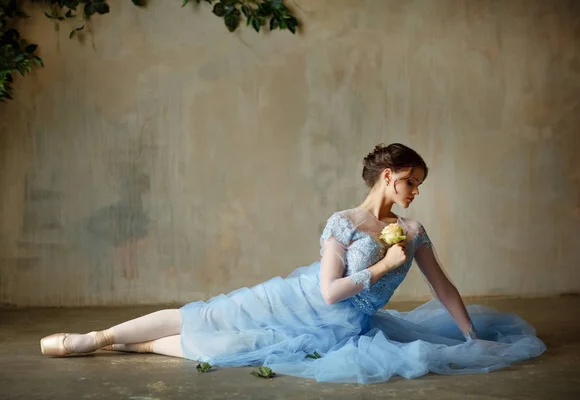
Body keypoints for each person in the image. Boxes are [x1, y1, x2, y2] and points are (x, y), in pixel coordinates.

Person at [39, 143, 546, 384]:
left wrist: (469, 335)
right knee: (210, 317)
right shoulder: (344, 221)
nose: (416, 193)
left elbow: (444, 288)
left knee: (236, 349)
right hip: (299, 298)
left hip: (344, 327)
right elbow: (327, 290)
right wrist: (384, 267)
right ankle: (98, 338)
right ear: (388, 177)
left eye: (420, 186)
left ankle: (143, 345)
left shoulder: (413, 233)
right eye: (412, 182)